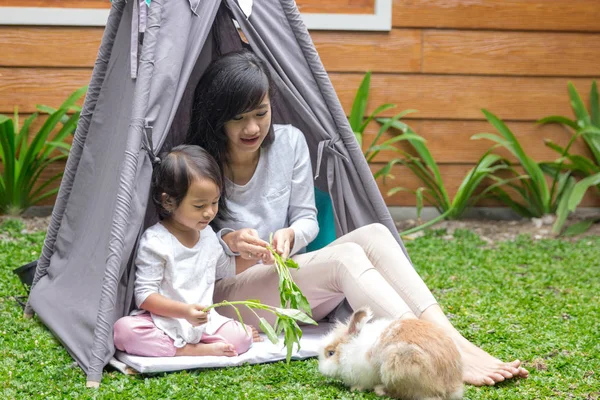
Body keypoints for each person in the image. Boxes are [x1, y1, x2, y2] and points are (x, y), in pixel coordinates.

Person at [186, 49, 529, 386]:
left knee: (376, 233)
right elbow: (185, 248)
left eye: (261, 113)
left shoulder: (289, 143)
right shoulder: (200, 165)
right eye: (238, 119)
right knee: (345, 257)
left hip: (289, 280)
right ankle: (431, 347)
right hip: (230, 297)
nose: (252, 127)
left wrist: (292, 233)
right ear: (217, 119)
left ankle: (452, 341)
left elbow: (307, 218)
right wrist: (228, 242)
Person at [113, 145, 261, 358]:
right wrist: (184, 312)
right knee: (124, 331)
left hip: (204, 322)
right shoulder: (156, 241)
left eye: (214, 202)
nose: (209, 212)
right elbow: (145, 296)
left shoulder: (208, 235)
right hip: (163, 321)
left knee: (242, 338)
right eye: (199, 206)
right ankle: (188, 350)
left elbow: (224, 269)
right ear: (168, 201)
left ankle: (200, 343)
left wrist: (254, 258)